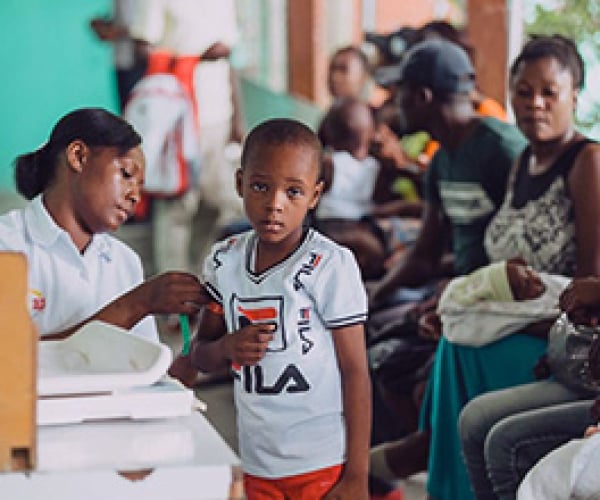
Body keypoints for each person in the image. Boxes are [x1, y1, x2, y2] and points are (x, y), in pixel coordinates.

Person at [169, 119, 371, 499]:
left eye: (293, 191)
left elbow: (355, 371)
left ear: (315, 195)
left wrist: (357, 475)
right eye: (261, 186)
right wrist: (226, 348)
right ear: (240, 183)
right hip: (258, 461)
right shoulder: (225, 261)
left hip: (323, 460)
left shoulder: (329, 265)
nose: (275, 204)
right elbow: (200, 354)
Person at [441, 34, 600, 500]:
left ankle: (439, 477)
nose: (535, 104)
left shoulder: (588, 163)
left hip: (559, 336)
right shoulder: (523, 161)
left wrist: (509, 318)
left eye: (550, 92)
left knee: (460, 348)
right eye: (524, 92)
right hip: (521, 320)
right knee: (451, 336)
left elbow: (588, 288)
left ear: (575, 95)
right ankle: (445, 482)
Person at [0, 108, 206, 340]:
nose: (135, 196)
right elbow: (11, 356)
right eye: (126, 174)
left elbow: (142, 357)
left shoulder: (125, 261)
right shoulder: (8, 244)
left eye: (140, 187)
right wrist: (135, 305)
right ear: (78, 156)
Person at [129, 0, 245, 274]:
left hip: (218, 117)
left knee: (217, 203)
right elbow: (141, 50)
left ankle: (197, 274)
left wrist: (238, 118)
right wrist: (196, 59)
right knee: (177, 206)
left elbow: (228, 63)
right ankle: (172, 284)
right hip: (176, 118)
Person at [90, 0, 147, 111]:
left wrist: (116, 32)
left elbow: (147, 30)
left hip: (141, 63)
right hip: (123, 61)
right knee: (128, 111)